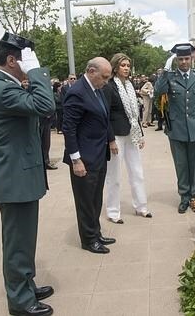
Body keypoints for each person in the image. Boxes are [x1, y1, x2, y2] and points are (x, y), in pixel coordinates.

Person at [0, 32, 55, 316]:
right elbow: (46, 106)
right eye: (25, 59)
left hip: (21, 176)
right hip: (14, 179)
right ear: (12, 60)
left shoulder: (9, 85)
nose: (29, 64)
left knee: (25, 238)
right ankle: (20, 301)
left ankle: (26, 284)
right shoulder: (2, 88)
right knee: (17, 242)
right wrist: (36, 71)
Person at [62, 57, 116, 254]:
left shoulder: (98, 90)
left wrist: (110, 140)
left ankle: (96, 233)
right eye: (103, 77)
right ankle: (88, 239)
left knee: (95, 198)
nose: (105, 81)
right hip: (83, 158)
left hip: (98, 154)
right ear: (91, 71)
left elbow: (104, 118)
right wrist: (76, 159)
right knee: (85, 200)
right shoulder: (76, 92)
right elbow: (69, 129)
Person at [154, 43, 195, 214]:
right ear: (176, 61)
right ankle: (184, 197)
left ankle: (194, 194)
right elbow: (158, 91)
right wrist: (165, 72)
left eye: (186, 58)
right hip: (177, 128)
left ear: (191, 59)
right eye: (180, 59)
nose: (183, 62)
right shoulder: (170, 77)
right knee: (181, 164)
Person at [102, 53, 152, 224]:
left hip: (132, 133)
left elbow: (135, 114)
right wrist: (110, 140)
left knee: (137, 172)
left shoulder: (130, 86)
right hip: (116, 135)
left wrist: (141, 135)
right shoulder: (108, 86)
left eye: (128, 66)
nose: (126, 68)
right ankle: (113, 211)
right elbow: (105, 115)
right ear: (115, 67)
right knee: (114, 176)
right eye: (123, 65)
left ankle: (141, 207)